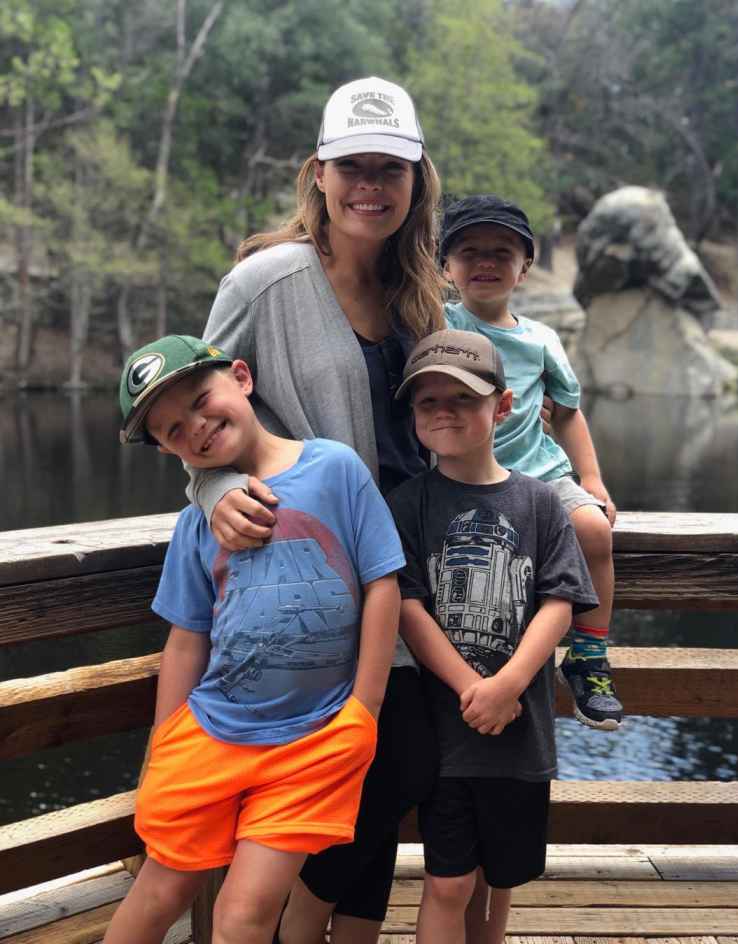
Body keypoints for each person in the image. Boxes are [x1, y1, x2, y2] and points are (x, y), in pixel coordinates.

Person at [184, 77, 448, 944]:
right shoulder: (266, 280)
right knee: (340, 790)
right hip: (319, 593)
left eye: (390, 169)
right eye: (352, 167)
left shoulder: (419, 293)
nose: (371, 185)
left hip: (414, 579)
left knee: (392, 775)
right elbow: (193, 415)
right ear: (319, 175)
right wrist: (217, 491)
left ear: (417, 181)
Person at [105, 334, 404, 944]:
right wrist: (163, 742)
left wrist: (363, 711)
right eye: (170, 430)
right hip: (210, 732)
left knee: (243, 916)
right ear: (166, 449)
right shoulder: (198, 520)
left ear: (241, 376)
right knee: (160, 888)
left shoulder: (335, 469)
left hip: (315, 740)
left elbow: (382, 585)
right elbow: (187, 639)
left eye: (199, 398)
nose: (194, 426)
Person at [386, 328, 599, 943]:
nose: (445, 411)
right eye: (428, 402)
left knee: (501, 878)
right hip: (446, 732)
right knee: (448, 882)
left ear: (502, 407)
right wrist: (472, 688)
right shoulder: (409, 505)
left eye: (464, 397)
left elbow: (561, 601)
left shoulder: (540, 503)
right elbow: (407, 605)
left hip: (520, 735)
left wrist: (507, 684)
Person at [441, 194, 623, 731]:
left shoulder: (541, 339)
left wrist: (591, 478)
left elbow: (567, 414)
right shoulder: (434, 321)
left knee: (592, 528)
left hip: (540, 476)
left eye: (503, 251)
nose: (486, 263)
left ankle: (589, 656)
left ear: (526, 267)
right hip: (466, 480)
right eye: (469, 251)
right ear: (446, 267)